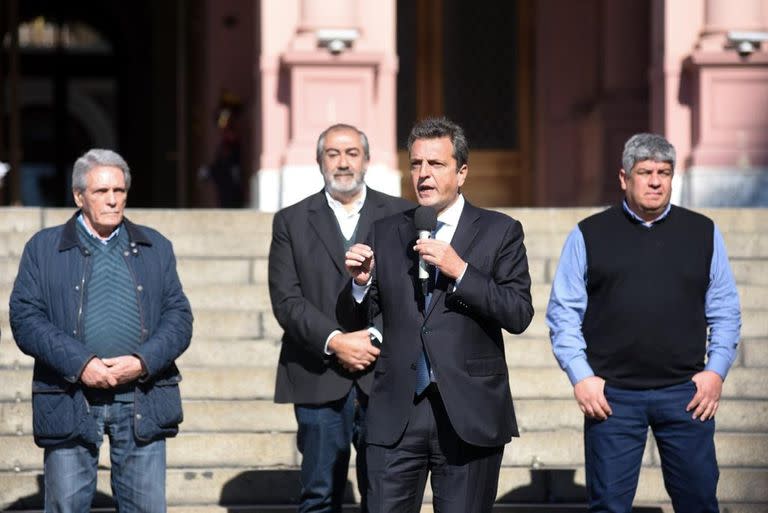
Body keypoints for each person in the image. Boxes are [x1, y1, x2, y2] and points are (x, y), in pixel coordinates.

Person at [341, 117, 534, 513]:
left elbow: (518, 313)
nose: (423, 174)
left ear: (461, 172)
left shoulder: (500, 231)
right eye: (416, 164)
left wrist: (462, 271)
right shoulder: (386, 230)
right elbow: (355, 317)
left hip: (468, 413)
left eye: (436, 164)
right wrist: (359, 285)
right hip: (397, 412)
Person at [546, 133, 741, 513]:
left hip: (687, 396)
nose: (655, 181)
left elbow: (725, 310)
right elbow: (563, 312)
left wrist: (715, 372)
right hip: (612, 399)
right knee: (609, 507)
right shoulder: (588, 234)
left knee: (699, 503)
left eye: (664, 173)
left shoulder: (703, 232)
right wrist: (581, 376)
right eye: (645, 172)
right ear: (624, 178)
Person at [10, 148, 193, 513]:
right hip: (70, 396)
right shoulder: (43, 249)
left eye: (119, 191)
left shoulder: (156, 246)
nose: (113, 200)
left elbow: (179, 318)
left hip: (142, 396)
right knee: (66, 507)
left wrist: (142, 362)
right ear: (79, 197)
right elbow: (25, 318)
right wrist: (82, 364)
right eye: (101, 192)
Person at [268, 123, 413, 513]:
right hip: (317, 373)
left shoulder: (401, 215)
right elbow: (286, 301)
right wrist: (336, 340)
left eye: (352, 153)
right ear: (319, 161)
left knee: (385, 496)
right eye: (333, 154)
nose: (343, 162)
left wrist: (374, 339)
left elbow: (412, 294)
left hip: (383, 375)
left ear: (366, 160)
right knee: (318, 495)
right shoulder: (290, 221)